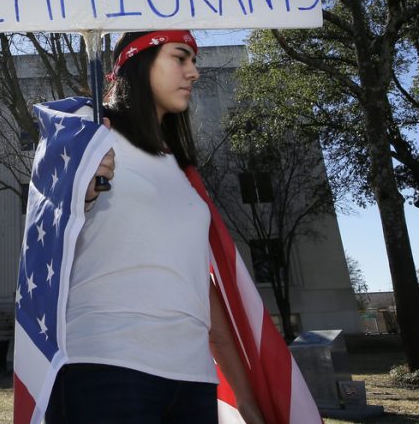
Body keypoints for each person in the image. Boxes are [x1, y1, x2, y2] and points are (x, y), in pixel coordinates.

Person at [42, 30, 266, 424]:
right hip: (105, 369)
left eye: (193, 61)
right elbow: (48, 226)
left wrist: (245, 400)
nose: (194, 72)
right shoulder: (87, 134)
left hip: (193, 380)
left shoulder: (182, 171)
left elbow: (202, 287)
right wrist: (83, 190)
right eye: (180, 57)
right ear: (139, 60)